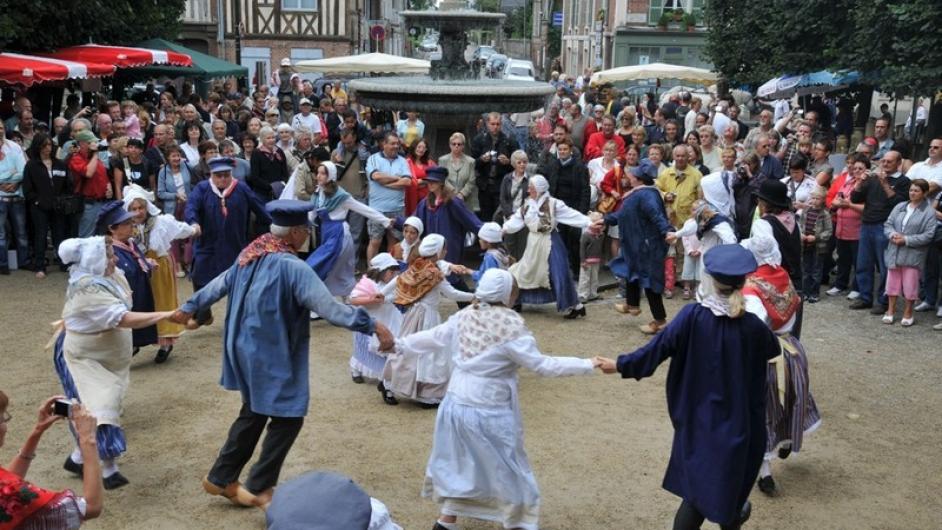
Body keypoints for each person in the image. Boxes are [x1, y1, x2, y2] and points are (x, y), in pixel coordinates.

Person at [170, 200, 394, 510]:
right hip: (269, 351)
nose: (307, 237)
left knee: (255, 410)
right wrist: (373, 325)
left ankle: (221, 477)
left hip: (241, 347)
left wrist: (190, 306)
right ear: (295, 232)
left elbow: (219, 283)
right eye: (306, 231)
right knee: (288, 416)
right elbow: (330, 308)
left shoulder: (252, 252)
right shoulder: (293, 267)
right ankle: (260, 485)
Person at [387, 269, 600, 530]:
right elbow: (542, 365)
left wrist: (397, 344)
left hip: (454, 403)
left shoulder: (464, 315)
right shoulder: (509, 325)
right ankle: (519, 523)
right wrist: (588, 363)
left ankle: (447, 520)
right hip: (488, 407)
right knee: (509, 468)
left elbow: (433, 338)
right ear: (506, 293)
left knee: (457, 461)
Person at [595, 244, 780, 530]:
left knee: (697, 496)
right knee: (727, 493)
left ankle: (736, 511)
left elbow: (654, 351)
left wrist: (619, 364)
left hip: (698, 421)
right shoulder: (753, 327)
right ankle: (736, 511)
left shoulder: (691, 317)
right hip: (740, 426)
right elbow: (773, 349)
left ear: (710, 280)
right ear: (744, 282)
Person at [53, 236, 174, 489]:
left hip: (105, 356)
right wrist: (169, 315)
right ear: (95, 259)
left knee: (100, 405)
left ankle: (77, 458)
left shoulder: (108, 275)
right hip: (82, 359)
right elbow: (122, 318)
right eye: (109, 255)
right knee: (99, 408)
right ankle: (109, 469)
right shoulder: (87, 289)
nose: (115, 258)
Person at [739, 235, 820, 498]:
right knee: (791, 401)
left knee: (763, 411)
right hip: (793, 352)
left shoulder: (751, 289)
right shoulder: (783, 275)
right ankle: (785, 442)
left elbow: (756, 328)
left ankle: (765, 474)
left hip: (768, 357)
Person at [382, 234, 474, 406]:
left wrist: (382, 292)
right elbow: (452, 293)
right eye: (444, 249)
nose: (446, 251)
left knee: (408, 349)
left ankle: (389, 382)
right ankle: (426, 393)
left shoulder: (418, 265)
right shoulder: (433, 273)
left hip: (412, 314)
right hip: (427, 316)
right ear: (438, 252)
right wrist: (475, 296)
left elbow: (398, 279)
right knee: (429, 353)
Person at [185, 157, 270, 325]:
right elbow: (191, 207)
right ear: (211, 175)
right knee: (200, 277)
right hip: (207, 244)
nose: (223, 179)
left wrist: (273, 224)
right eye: (218, 175)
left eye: (226, 175)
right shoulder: (202, 189)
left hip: (235, 244)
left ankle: (239, 318)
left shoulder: (241, 188)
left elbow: (259, 207)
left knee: (239, 282)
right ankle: (203, 314)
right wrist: (193, 222)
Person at [0, 392, 103, 528]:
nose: (5, 425)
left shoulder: (6, 487)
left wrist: (38, 431)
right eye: (2, 419)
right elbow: (91, 507)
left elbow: (7, 484)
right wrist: (87, 439)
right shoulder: (11, 492)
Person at [123, 185, 197, 363]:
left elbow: (180, 229)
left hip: (160, 266)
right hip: (137, 268)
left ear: (147, 207)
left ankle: (165, 342)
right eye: (133, 209)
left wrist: (194, 229)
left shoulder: (161, 222)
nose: (138, 212)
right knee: (138, 303)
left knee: (161, 301)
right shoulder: (125, 227)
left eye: (141, 208)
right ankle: (136, 341)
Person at [503, 175, 592, 319]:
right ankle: (517, 299)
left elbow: (571, 215)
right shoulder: (527, 205)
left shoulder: (554, 204)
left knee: (558, 272)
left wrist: (589, 222)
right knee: (525, 271)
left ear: (540, 189)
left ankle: (575, 306)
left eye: (531, 188)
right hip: (533, 243)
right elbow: (516, 220)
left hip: (551, 241)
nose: (528, 191)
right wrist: (504, 229)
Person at [604, 160, 673, 333]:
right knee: (631, 271)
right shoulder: (638, 193)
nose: (628, 176)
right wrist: (603, 219)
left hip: (647, 246)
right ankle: (632, 304)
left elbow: (657, 216)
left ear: (639, 179)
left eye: (632, 174)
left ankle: (660, 321)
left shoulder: (646, 195)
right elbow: (622, 214)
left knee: (650, 283)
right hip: (636, 244)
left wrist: (667, 231)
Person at [306, 161, 393, 297]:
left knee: (325, 266)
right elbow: (311, 215)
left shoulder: (341, 196)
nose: (319, 176)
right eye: (318, 173)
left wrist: (385, 220)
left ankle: (342, 297)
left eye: (323, 173)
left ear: (331, 176)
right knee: (332, 269)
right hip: (326, 234)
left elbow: (364, 209)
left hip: (339, 235)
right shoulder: (317, 194)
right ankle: (332, 299)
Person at [849, 150, 910, 313]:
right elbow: (855, 199)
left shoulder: (903, 181)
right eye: (883, 161)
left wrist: (884, 183)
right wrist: (860, 183)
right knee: (863, 264)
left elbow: (900, 204)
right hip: (867, 224)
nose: (885, 164)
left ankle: (884, 301)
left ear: (899, 164)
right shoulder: (873, 178)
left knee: (885, 266)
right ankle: (865, 297)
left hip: (885, 227)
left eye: (889, 161)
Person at [413, 167, 483, 280]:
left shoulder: (453, 202)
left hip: (449, 245)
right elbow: (414, 221)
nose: (430, 184)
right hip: (432, 246)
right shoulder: (425, 203)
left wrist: (488, 232)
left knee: (450, 275)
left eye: (434, 181)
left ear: (441, 183)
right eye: (428, 181)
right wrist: (395, 222)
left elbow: (470, 220)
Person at [882, 179, 936, 326]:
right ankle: (890, 310)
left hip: (913, 254)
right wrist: (892, 234)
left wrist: (906, 239)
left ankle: (908, 312)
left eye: (916, 190)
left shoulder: (929, 212)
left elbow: (929, 235)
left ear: (924, 193)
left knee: (910, 285)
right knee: (892, 283)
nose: (912, 193)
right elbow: (888, 224)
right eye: (911, 190)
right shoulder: (900, 206)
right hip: (894, 250)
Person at [348, 253, 403, 387]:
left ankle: (387, 376)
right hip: (371, 320)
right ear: (381, 270)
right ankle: (356, 369)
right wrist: (371, 299)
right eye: (391, 271)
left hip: (390, 318)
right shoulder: (368, 283)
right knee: (365, 349)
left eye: (394, 271)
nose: (393, 274)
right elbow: (353, 300)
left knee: (392, 346)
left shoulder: (393, 282)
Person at [23, 133, 69, 277]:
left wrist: (62, 200)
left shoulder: (60, 164)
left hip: (57, 206)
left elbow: (67, 185)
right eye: (44, 145)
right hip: (39, 207)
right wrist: (37, 201)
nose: (47, 148)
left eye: (49, 145)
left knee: (59, 235)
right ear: (38, 147)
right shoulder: (31, 165)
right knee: (40, 236)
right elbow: (27, 189)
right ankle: (40, 266)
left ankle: (64, 263)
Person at [365, 132, 411, 261]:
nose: (396, 146)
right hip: (377, 209)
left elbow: (407, 182)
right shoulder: (373, 158)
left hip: (397, 209)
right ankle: (371, 271)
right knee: (375, 241)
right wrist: (397, 178)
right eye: (392, 143)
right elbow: (376, 176)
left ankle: (390, 271)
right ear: (384, 144)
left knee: (394, 241)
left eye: (397, 143)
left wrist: (385, 184)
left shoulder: (403, 161)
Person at [471, 112, 518, 223]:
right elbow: (473, 163)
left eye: (497, 124)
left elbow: (518, 164)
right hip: (484, 185)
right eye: (492, 124)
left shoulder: (509, 140)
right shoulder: (479, 140)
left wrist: (508, 162)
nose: (495, 127)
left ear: (501, 124)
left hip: (501, 185)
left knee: (499, 216)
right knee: (485, 216)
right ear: (487, 124)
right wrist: (481, 160)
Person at [798, 189, 833, 302]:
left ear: (823, 200)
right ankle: (805, 292)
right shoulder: (805, 211)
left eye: (817, 198)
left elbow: (828, 231)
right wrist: (801, 234)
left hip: (818, 247)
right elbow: (800, 225)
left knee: (816, 271)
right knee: (805, 269)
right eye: (813, 198)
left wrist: (817, 237)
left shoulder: (825, 214)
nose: (814, 201)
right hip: (805, 245)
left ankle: (814, 293)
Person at [439, 132, 478, 214]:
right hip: (448, 198)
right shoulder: (442, 160)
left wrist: (462, 194)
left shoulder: (471, 161)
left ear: (463, 146)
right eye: (454, 144)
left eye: (459, 144)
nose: (456, 146)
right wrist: (453, 192)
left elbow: (472, 181)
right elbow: (442, 178)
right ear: (450, 145)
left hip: (466, 200)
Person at [578, 211, 604, 302]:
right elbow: (582, 249)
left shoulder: (600, 235)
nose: (600, 226)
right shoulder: (586, 235)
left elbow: (600, 247)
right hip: (587, 261)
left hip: (596, 260)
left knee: (594, 278)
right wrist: (582, 260)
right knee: (585, 278)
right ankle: (582, 295)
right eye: (598, 223)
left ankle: (593, 293)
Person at [404, 137, 434, 216]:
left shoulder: (430, 163)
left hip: (428, 199)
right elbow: (406, 180)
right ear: (414, 147)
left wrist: (421, 180)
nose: (421, 150)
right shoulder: (406, 162)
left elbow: (436, 177)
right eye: (419, 147)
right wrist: (424, 181)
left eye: (424, 148)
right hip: (412, 198)